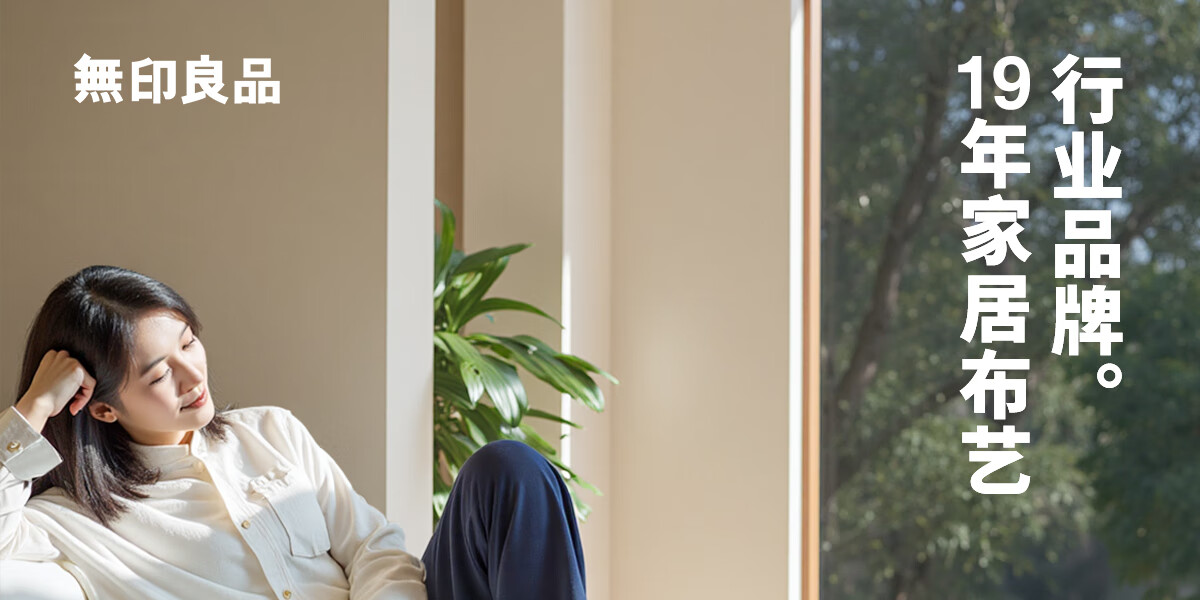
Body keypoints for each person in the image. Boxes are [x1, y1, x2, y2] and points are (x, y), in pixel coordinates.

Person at [0, 265, 587, 599]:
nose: (192, 375)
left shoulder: (270, 431)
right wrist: (34, 408)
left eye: (189, 343)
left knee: (509, 469)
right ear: (102, 409)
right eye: (159, 374)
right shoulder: (72, 521)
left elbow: (372, 547)